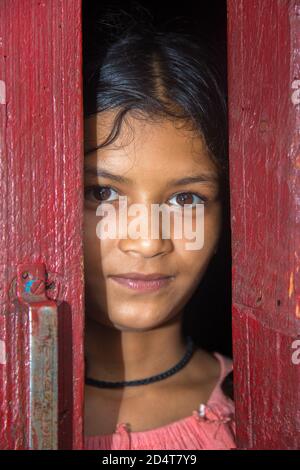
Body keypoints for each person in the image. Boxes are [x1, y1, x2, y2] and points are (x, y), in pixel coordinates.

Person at [82, 13, 235, 450]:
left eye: (185, 199)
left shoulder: (255, 410)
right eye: (102, 192)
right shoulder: (14, 409)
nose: (148, 241)